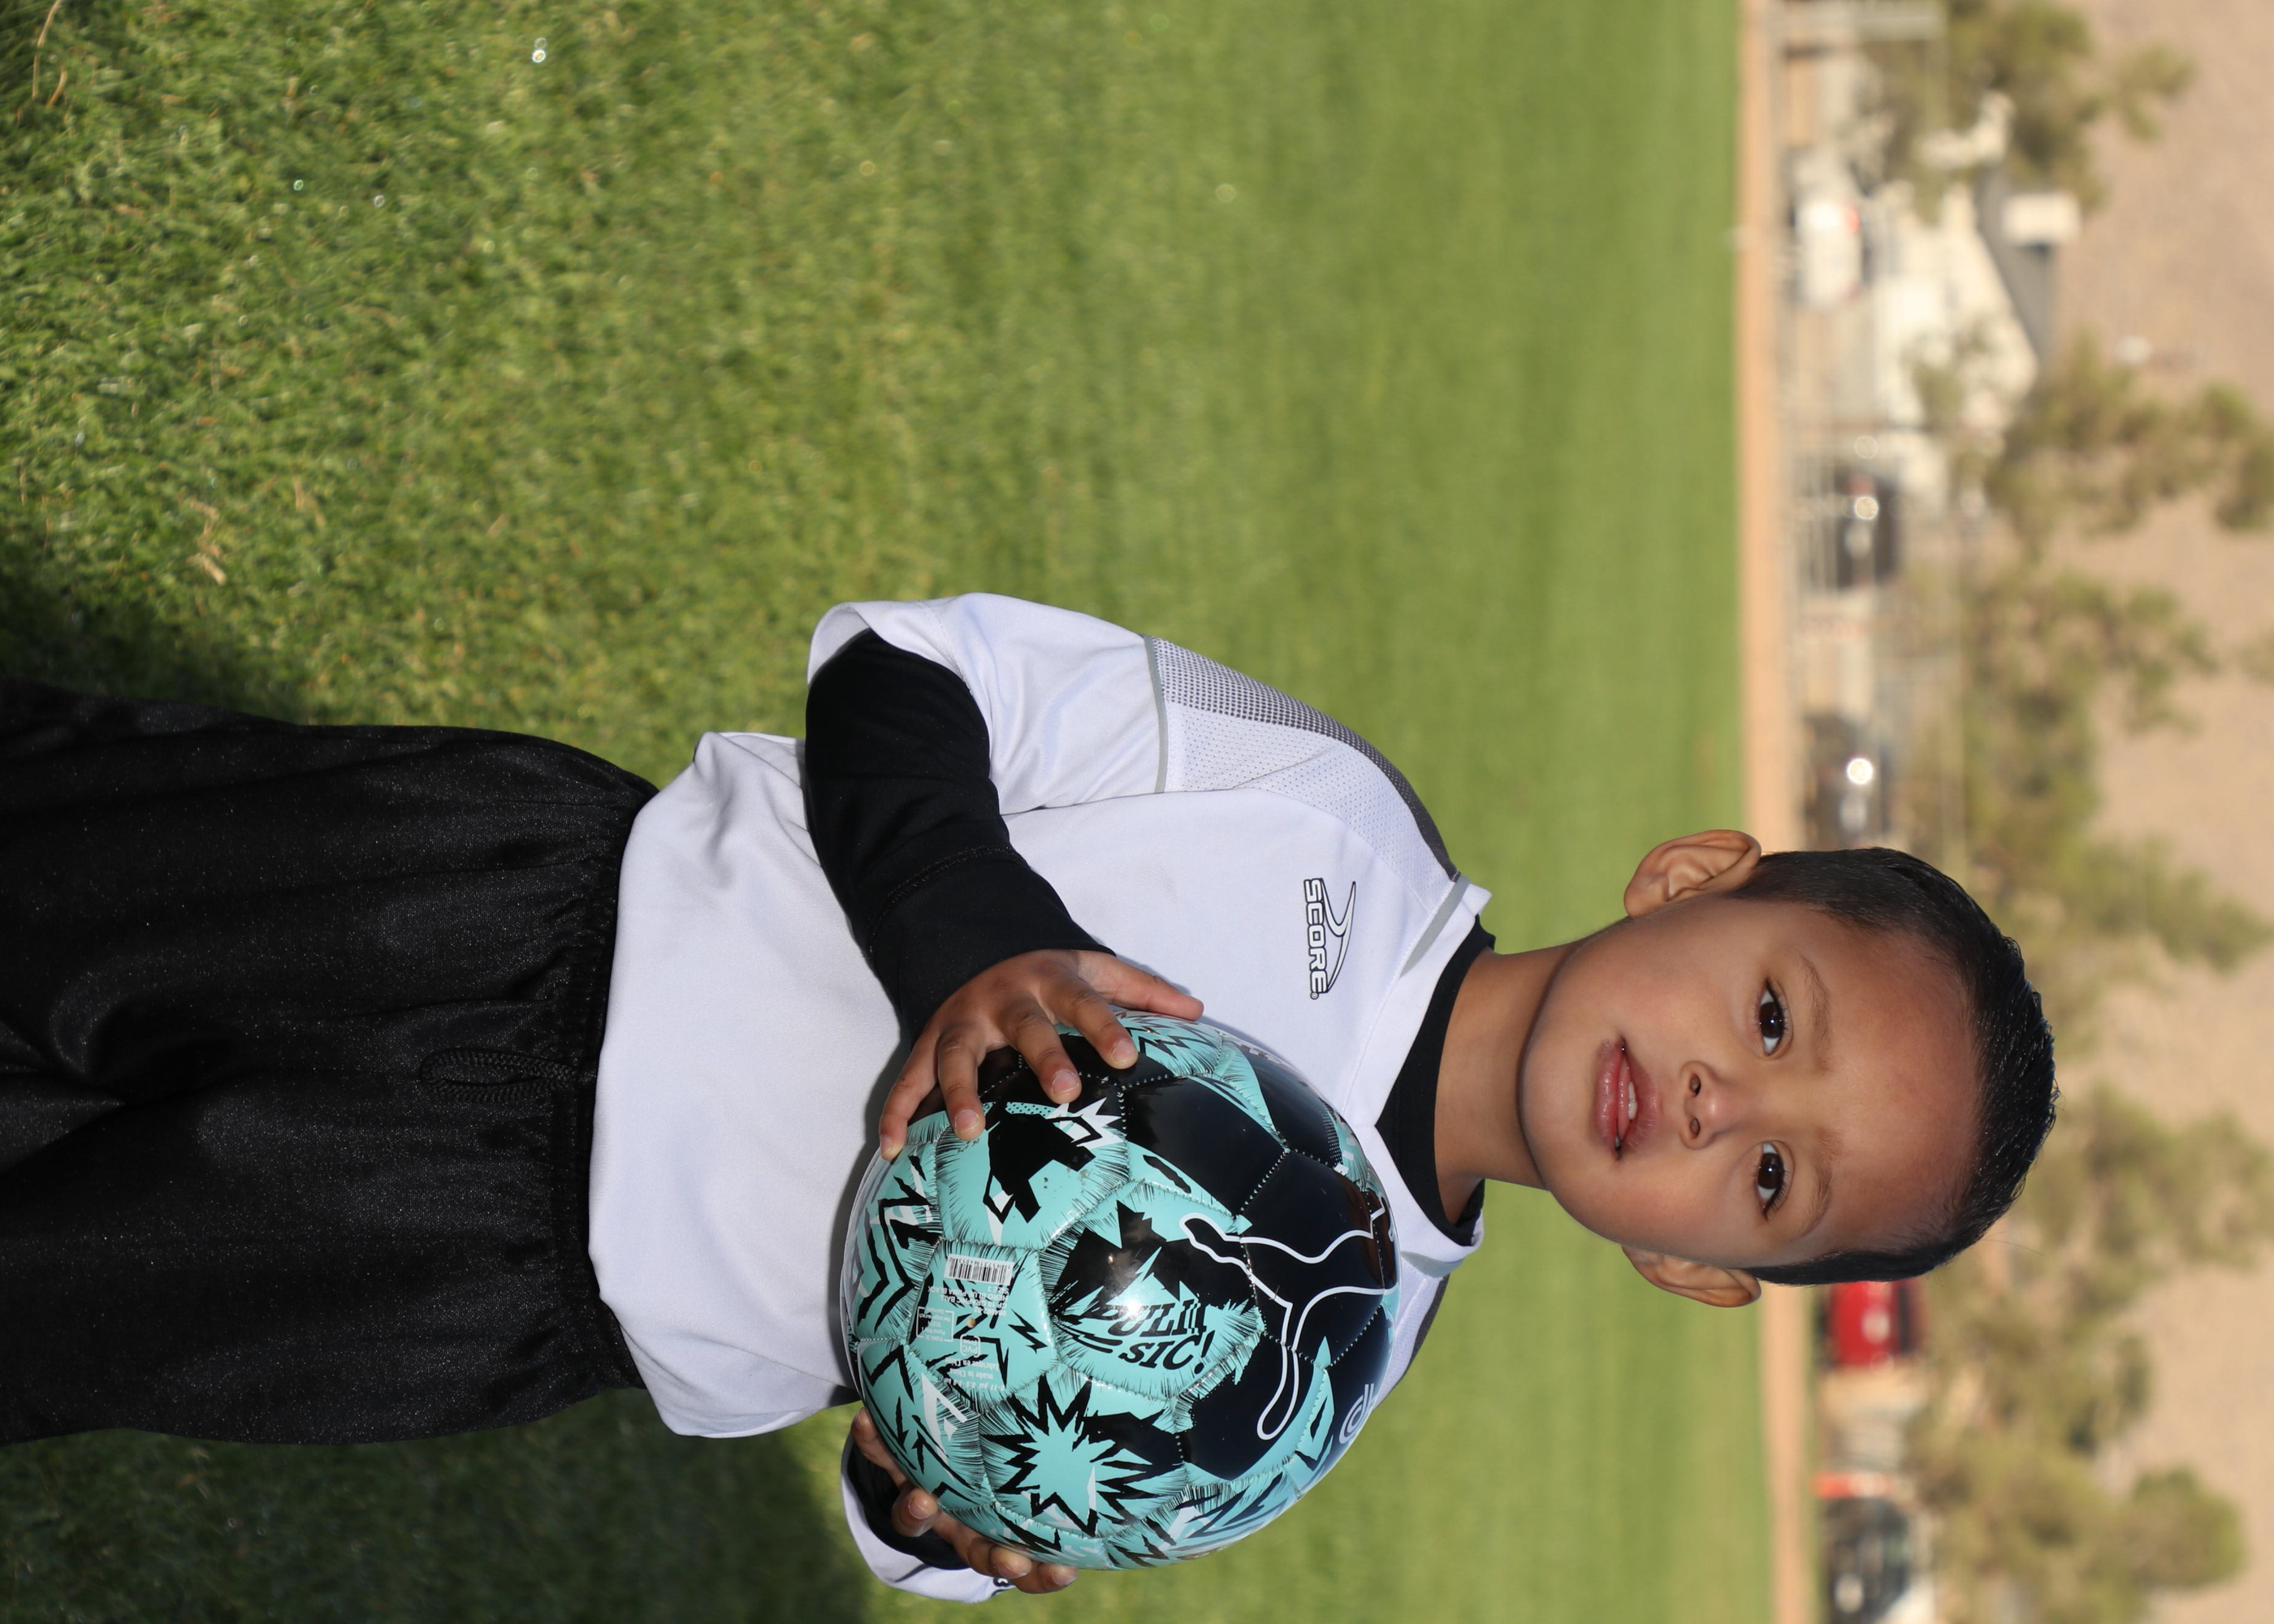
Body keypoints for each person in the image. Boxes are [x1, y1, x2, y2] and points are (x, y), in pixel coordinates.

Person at [0, 593, 2056, 1603]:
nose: (1707, 1104)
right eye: (1768, 1015)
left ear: (1699, 1276)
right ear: (1693, 878)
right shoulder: (1324, 818)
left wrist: (935, 1503)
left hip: (493, 1280)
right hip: (497, 913)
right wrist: (975, 947)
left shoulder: (1311, 1373)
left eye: (1768, 1179)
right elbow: (904, 670)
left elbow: (947, 1506)